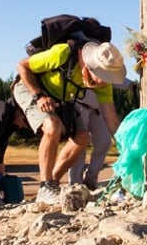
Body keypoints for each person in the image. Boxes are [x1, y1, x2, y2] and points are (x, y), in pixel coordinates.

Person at [14, 39, 126, 205]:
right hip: (30, 87)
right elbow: (22, 66)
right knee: (52, 125)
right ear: (91, 65)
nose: (103, 82)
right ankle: (46, 186)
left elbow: (111, 119)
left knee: (82, 137)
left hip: (60, 98)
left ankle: (50, 185)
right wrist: (39, 95)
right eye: (102, 75)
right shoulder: (62, 54)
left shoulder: (103, 83)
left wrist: (128, 151)